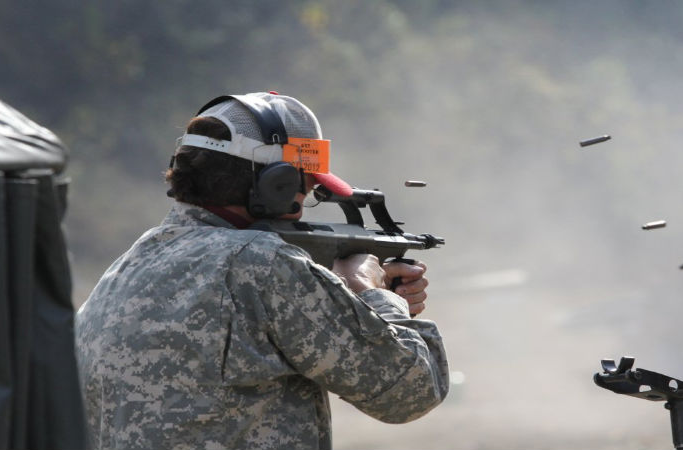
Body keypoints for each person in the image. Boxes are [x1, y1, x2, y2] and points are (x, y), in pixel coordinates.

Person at [74, 92, 449, 449]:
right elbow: (409, 390)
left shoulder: (123, 269)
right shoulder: (262, 265)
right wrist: (370, 292)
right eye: (304, 185)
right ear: (275, 183)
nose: (301, 204)